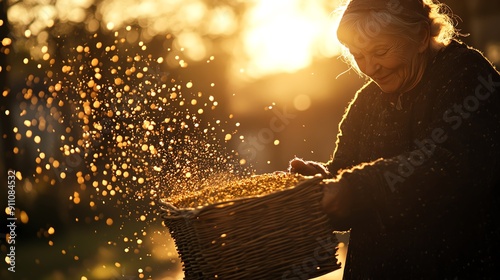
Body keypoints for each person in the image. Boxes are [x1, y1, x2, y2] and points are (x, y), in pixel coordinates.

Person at [288, 0, 500, 278]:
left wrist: (355, 190)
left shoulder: (467, 76)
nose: (370, 67)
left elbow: (452, 167)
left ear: (421, 36)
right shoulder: (366, 102)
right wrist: (322, 184)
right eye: (357, 55)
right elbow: (348, 171)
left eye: (380, 51)